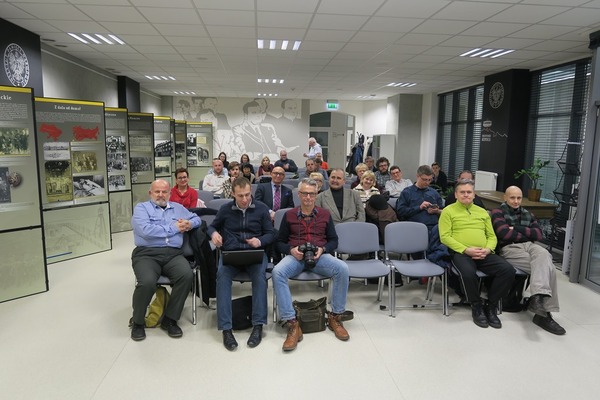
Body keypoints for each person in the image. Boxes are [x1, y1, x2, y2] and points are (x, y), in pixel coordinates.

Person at [273, 178, 351, 351]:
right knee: (278, 272)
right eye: (304, 193)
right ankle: (292, 323)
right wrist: (291, 250)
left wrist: (323, 249)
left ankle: (335, 317)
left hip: (319, 257)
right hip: (296, 257)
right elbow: (279, 242)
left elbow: (334, 240)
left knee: (342, 268)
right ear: (299, 195)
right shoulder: (289, 215)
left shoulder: (325, 214)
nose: (308, 197)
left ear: (316, 195)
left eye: (312, 194)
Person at [208, 177, 275, 350]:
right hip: (232, 254)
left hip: (255, 253)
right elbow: (211, 227)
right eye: (240, 196)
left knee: (260, 277)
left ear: (251, 191)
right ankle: (226, 329)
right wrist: (214, 234)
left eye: (247, 195)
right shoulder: (225, 209)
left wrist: (260, 241)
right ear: (233, 194)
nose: (244, 199)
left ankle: (258, 325)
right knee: (222, 277)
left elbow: (270, 233)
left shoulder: (261, 208)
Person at [439, 179, 515, 329]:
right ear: (456, 195)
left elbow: (492, 236)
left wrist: (488, 249)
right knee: (468, 274)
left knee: (508, 270)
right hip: (461, 253)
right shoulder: (448, 211)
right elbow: (445, 237)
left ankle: (491, 307)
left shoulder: (482, 212)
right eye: (462, 192)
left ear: (474, 195)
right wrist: (466, 249)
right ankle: (476, 306)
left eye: (469, 192)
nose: (466, 195)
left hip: (483, 252)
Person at [130, 179, 199, 341]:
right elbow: (146, 231)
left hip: (173, 254)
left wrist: (189, 224)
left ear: (170, 193)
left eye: (164, 192)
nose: (160, 195)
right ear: (150, 193)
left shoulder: (178, 208)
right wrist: (174, 228)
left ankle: (170, 319)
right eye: (157, 191)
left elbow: (197, 218)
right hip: (147, 254)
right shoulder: (141, 208)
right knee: (147, 282)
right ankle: (138, 322)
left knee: (186, 275)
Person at [491, 186, 566, 335]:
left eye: (519, 198)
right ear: (505, 198)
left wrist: (516, 228)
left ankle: (537, 299)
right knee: (549, 268)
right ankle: (544, 315)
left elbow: (538, 235)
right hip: (510, 248)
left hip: (530, 246)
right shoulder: (497, 212)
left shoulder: (528, 214)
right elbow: (504, 234)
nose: (516, 201)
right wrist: (526, 233)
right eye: (512, 197)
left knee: (544, 254)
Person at [395, 165, 443, 232]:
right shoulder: (407, 192)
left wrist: (437, 211)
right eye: (424, 179)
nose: (427, 182)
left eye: (429, 180)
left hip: (434, 227)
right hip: (414, 227)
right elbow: (401, 212)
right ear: (417, 176)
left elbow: (443, 211)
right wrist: (419, 207)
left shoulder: (434, 193)